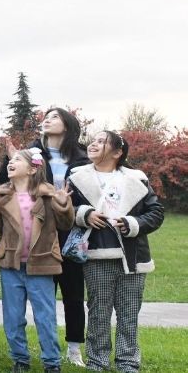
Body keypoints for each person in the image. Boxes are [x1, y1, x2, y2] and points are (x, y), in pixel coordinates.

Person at [1, 107, 91, 366]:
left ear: (68, 125)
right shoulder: (29, 154)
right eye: (46, 116)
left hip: (71, 230)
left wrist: (75, 209)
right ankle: (33, 353)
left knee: (73, 292)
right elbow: (10, 185)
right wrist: (14, 159)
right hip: (37, 231)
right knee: (42, 297)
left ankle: (74, 348)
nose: (47, 120)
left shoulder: (83, 157)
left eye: (55, 117)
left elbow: (92, 193)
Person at [69, 131, 164, 373]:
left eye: (102, 141)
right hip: (97, 253)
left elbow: (156, 212)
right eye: (94, 139)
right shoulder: (77, 177)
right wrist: (84, 215)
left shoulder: (137, 179)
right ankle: (97, 362)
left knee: (129, 313)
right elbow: (64, 209)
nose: (94, 143)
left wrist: (133, 224)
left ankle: (128, 362)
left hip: (133, 257)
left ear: (117, 152)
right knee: (99, 312)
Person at [0, 148, 74, 373]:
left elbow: (65, 225)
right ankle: (20, 360)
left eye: (17, 160)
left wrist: (63, 204)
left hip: (41, 264)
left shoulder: (49, 194)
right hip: (10, 265)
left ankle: (52, 362)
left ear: (33, 168)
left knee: (45, 317)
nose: (11, 163)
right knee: (13, 318)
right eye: (10, 161)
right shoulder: (1, 195)